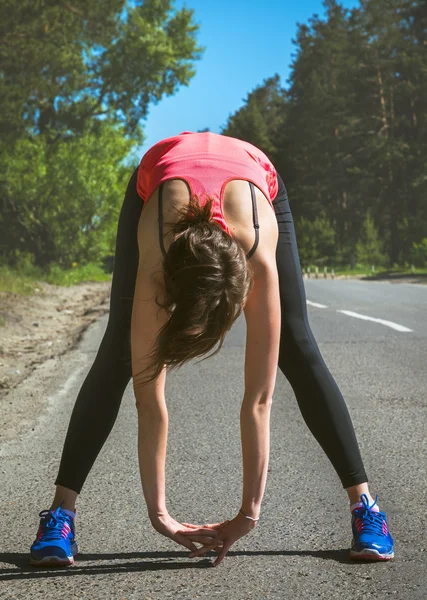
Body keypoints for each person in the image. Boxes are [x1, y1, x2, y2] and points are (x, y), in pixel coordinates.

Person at [29, 131, 394, 568]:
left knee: (296, 343)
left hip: (252, 172)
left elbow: (259, 400)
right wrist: (161, 516)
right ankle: (60, 514)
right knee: (120, 350)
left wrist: (248, 515)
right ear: (170, 292)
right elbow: (149, 398)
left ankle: (366, 508)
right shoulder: (158, 253)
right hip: (162, 172)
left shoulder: (258, 252)